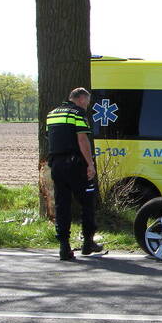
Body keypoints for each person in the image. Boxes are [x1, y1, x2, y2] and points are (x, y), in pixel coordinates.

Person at [46, 87, 104, 261]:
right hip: (75, 164)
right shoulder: (78, 113)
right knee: (87, 202)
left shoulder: (52, 114)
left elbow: (50, 138)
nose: (87, 105)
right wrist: (90, 164)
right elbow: (82, 139)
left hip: (56, 164)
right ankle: (88, 242)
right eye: (87, 102)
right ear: (81, 99)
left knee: (62, 205)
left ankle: (64, 247)